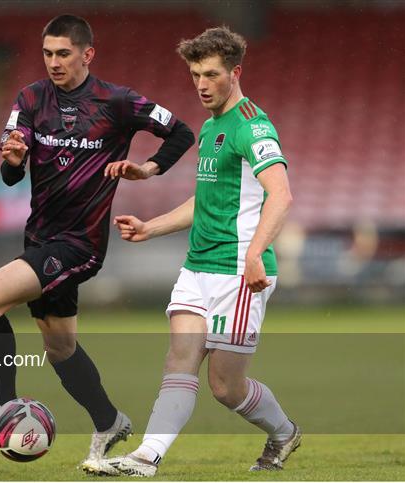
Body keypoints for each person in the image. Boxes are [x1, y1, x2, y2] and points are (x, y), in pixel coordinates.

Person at [0, 14, 194, 473]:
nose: (53, 62)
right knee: (60, 348)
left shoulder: (119, 102)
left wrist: (147, 169)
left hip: (79, 244)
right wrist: (12, 160)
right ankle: (109, 421)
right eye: (47, 53)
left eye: (63, 53)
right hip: (40, 238)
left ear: (87, 54)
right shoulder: (30, 98)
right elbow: (12, 173)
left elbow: (182, 133)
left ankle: (2, 405)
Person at [103, 26, 300, 476]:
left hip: (239, 271)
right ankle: (146, 458)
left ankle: (284, 432)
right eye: (195, 74)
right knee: (180, 358)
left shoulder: (253, 125)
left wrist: (255, 255)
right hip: (198, 267)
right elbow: (206, 199)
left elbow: (281, 194)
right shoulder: (212, 127)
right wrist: (151, 227)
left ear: (236, 72)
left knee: (225, 387)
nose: (201, 84)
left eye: (211, 74)